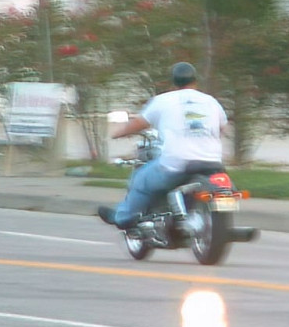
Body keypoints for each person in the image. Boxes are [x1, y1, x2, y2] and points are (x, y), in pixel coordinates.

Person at [97, 61, 228, 229]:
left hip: (177, 164)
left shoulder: (163, 100)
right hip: (213, 162)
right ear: (195, 81)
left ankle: (123, 218)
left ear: (173, 83)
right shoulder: (211, 101)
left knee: (140, 180)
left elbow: (139, 123)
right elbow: (221, 128)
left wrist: (119, 133)